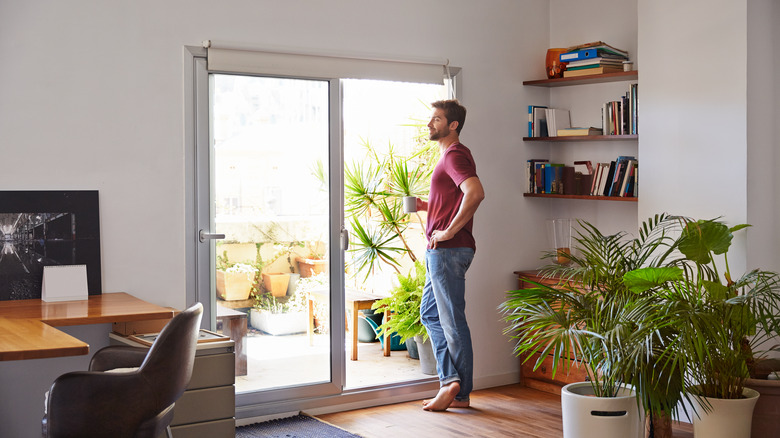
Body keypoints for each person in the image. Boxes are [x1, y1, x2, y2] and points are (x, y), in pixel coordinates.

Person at [416, 99, 484, 411]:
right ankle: (452, 381)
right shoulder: (448, 155)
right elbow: (453, 201)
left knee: (453, 321)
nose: (430, 124)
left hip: (448, 250)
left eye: (437, 119)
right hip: (442, 251)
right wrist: (425, 207)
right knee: (430, 314)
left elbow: (475, 193)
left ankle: (457, 391)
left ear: (452, 125)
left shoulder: (455, 154)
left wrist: (449, 232)